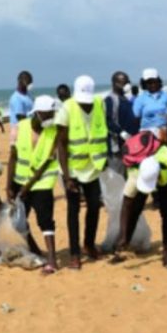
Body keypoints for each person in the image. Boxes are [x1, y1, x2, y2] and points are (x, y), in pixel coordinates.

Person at [55, 75, 107, 268]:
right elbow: (61, 143)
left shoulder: (100, 104)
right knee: (73, 211)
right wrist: (67, 177)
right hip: (73, 169)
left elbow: (103, 131)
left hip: (93, 166)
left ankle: (89, 244)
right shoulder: (67, 107)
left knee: (94, 206)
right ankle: (74, 253)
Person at [8, 95, 60, 274]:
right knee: (19, 220)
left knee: (45, 220)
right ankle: (35, 249)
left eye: (51, 114)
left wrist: (28, 185)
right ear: (37, 113)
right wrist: (9, 186)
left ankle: (52, 260)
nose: (50, 118)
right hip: (20, 180)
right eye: (46, 115)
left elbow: (47, 161)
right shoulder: (19, 128)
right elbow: (13, 156)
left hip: (43, 181)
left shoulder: (54, 130)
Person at [113, 143, 167, 269]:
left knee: (166, 213)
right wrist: (123, 235)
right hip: (144, 173)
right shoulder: (135, 173)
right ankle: (123, 245)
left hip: (166, 178)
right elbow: (126, 205)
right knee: (135, 209)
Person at [105, 71, 140, 171]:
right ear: (114, 83)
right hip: (118, 146)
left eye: (128, 82)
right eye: (124, 82)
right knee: (120, 175)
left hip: (130, 143)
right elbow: (108, 121)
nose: (127, 85)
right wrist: (121, 132)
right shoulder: (110, 100)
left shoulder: (125, 98)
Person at [133, 68, 167, 136]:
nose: (153, 84)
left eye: (154, 81)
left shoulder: (166, 96)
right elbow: (136, 117)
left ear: (158, 81)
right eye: (149, 82)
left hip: (165, 133)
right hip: (147, 134)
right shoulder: (140, 99)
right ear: (144, 83)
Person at [8, 71, 34, 141]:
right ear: (20, 81)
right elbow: (21, 118)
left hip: (27, 129)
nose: (30, 84)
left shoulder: (28, 95)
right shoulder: (16, 98)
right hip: (19, 130)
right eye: (28, 82)